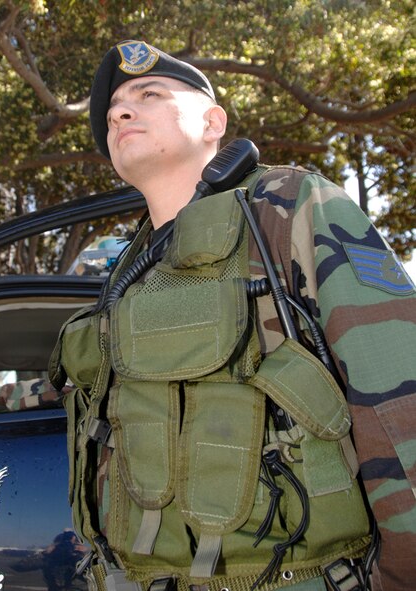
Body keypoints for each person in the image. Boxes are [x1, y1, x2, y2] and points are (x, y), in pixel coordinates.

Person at [47, 40, 416, 591]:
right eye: (113, 110)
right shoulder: (132, 265)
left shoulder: (286, 204)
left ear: (213, 121)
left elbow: (396, 391)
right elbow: (98, 376)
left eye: (148, 94)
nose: (120, 112)